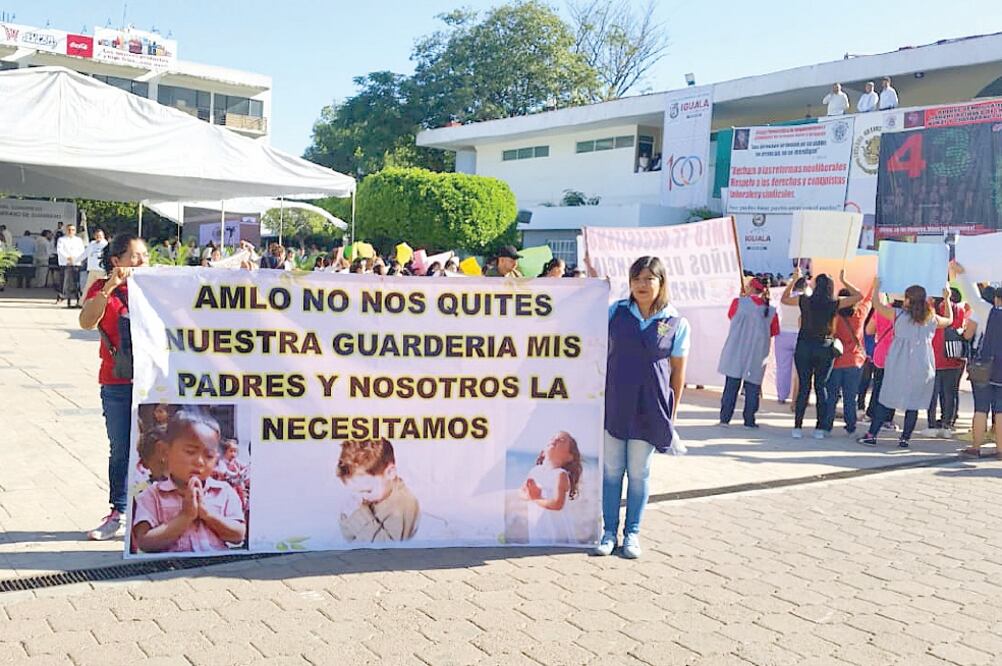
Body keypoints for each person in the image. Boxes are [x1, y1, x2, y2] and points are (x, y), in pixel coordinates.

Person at [595, 256, 690, 560]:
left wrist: (671, 415)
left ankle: (631, 534)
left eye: (649, 279)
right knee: (612, 472)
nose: (642, 285)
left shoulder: (676, 321)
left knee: (638, 472)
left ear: (661, 282)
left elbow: (678, 373)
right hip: (615, 403)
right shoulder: (616, 312)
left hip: (650, 406)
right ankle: (609, 532)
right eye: (636, 279)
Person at [78, 233, 149, 540]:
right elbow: (86, 322)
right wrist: (109, 288)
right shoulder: (101, 288)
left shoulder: (155, 288)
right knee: (120, 449)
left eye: (146, 255)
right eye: (135, 256)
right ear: (116, 261)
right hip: (117, 383)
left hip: (154, 385)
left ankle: (148, 512)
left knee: (154, 449)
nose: (143, 261)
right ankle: (117, 512)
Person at [132, 410, 246, 552]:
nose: (199, 462)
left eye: (209, 455)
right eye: (190, 452)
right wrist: (185, 516)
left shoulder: (224, 491)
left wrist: (207, 514)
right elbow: (145, 542)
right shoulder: (152, 495)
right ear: (165, 451)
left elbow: (238, 535)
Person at [857, 282, 954, 448]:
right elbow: (949, 320)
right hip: (922, 364)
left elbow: (877, 305)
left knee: (886, 398)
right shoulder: (931, 318)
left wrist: (877, 288)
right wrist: (947, 299)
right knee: (913, 403)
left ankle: (872, 435)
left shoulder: (898, 314)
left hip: (899, 362)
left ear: (908, 299)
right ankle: (904, 439)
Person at [781, 268, 863, 439]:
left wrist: (794, 281)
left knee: (804, 386)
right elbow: (858, 297)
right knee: (821, 387)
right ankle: (819, 428)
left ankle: (797, 426)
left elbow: (784, 299)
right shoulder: (834, 303)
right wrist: (845, 280)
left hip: (804, 345)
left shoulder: (804, 300)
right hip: (824, 346)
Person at [718, 278, 779, 428]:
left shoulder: (737, 303)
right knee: (753, 388)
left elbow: (731, 316)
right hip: (757, 353)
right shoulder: (770, 310)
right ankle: (749, 420)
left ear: (751, 287)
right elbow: (773, 331)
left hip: (736, 349)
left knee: (731, 386)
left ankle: (725, 419)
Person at [336, 438, 420, 542]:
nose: (362, 497)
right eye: (356, 492)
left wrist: (358, 516)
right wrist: (347, 516)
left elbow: (388, 550)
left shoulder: (404, 504)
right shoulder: (375, 494)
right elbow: (350, 540)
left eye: (367, 491)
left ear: (390, 473)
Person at [519, 432, 582, 543]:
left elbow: (558, 504)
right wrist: (528, 494)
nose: (555, 440)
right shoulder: (535, 471)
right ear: (543, 452)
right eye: (553, 438)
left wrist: (535, 497)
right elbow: (522, 493)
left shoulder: (561, 474)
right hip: (538, 528)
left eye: (561, 440)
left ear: (569, 457)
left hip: (556, 532)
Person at [824, 288, 872, 436]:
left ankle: (826, 426)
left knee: (831, 396)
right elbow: (868, 297)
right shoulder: (860, 314)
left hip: (836, 360)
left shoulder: (833, 316)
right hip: (854, 361)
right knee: (850, 397)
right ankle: (850, 425)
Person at [924, 291, 969, 439]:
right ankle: (947, 424)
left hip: (934, 357)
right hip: (952, 356)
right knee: (950, 393)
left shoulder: (930, 309)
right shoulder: (958, 309)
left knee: (932, 394)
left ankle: (931, 424)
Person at [964, 286, 1002, 457]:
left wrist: (960, 275)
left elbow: (972, 296)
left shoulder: (988, 312)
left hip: (984, 367)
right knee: (1000, 411)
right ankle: (1000, 449)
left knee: (980, 408)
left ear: (996, 299)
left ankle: (976, 447)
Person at [775, 277, 805, 404]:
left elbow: (783, 298)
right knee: (801, 370)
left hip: (783, 333)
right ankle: (799, 396)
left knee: (782, 368)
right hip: (800, 334)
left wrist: (791, 282)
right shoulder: (806, 300)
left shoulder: (787, 299)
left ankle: (782, 396)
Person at [56, 224, 86, 307]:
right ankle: (61, 296)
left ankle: (78, 297)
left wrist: (75, 259)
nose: (71, 231)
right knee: (63, 280)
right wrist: (68, 258)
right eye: (69, 229)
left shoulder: (78, 240)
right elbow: (60, 250)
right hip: (65, 262)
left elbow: (81, 251)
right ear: (66, 230)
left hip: (76, 262)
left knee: (76, 281)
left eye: (73, 230)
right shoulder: (62, 239)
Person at [82, 229, 108, 297]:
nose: (98, 237)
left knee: (102, 289)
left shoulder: (106, 245)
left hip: (102, 271)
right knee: (88, 287)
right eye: (96, 235)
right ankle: (82, 303)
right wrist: (75, 260)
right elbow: (84, 254)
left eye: (100, 235)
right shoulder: (92, 244)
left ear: (103, 236)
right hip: (92, 269)